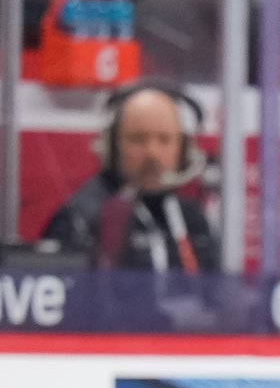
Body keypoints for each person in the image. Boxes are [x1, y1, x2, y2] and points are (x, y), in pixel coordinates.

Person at [42, 82, 220, 272]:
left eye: (164, 139)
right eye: (138, 139)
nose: (152, 153)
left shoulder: (192, 219)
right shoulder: (82, 218)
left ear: (184, 149)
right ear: (111, 145)